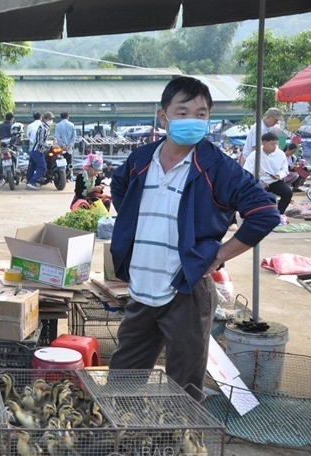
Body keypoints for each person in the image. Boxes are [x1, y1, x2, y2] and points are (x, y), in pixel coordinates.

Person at [109, 76, 279, 401]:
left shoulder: (217, 167)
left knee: (183, 389)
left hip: (186, 291)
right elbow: (119, 189)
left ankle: (178, 449)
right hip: (142, 290)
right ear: (163, 116)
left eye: (201, 114)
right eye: (183, 112)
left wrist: (219, 255)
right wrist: (135, 223)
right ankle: (121, 446)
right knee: (122, 382)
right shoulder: (141, 160)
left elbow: (264, 212)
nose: (193, 120)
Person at [243, 131, 292, 225]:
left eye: (276, 144)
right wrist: (258, 182)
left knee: (287, 193)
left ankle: (280, 214)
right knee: (257, 197)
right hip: (259, 182)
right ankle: (254, 216)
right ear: (264, 143)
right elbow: (247, 172)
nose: (274, 146)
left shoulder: (280, 154)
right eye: (272, 144)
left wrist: (279, 175)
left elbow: (285, 169)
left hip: (274, 181)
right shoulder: (255, 154)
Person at [26, 111, 52, 190]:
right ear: (46, 119)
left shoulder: (43, 127)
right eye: (50, 119)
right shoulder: (44, 128)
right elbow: (41, 141)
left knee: (32, 166)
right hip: (37, 150)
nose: (51, 121)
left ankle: (29, 182)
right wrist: (49, 146)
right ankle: (32, 182)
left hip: (33, 149)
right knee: (42, 167)